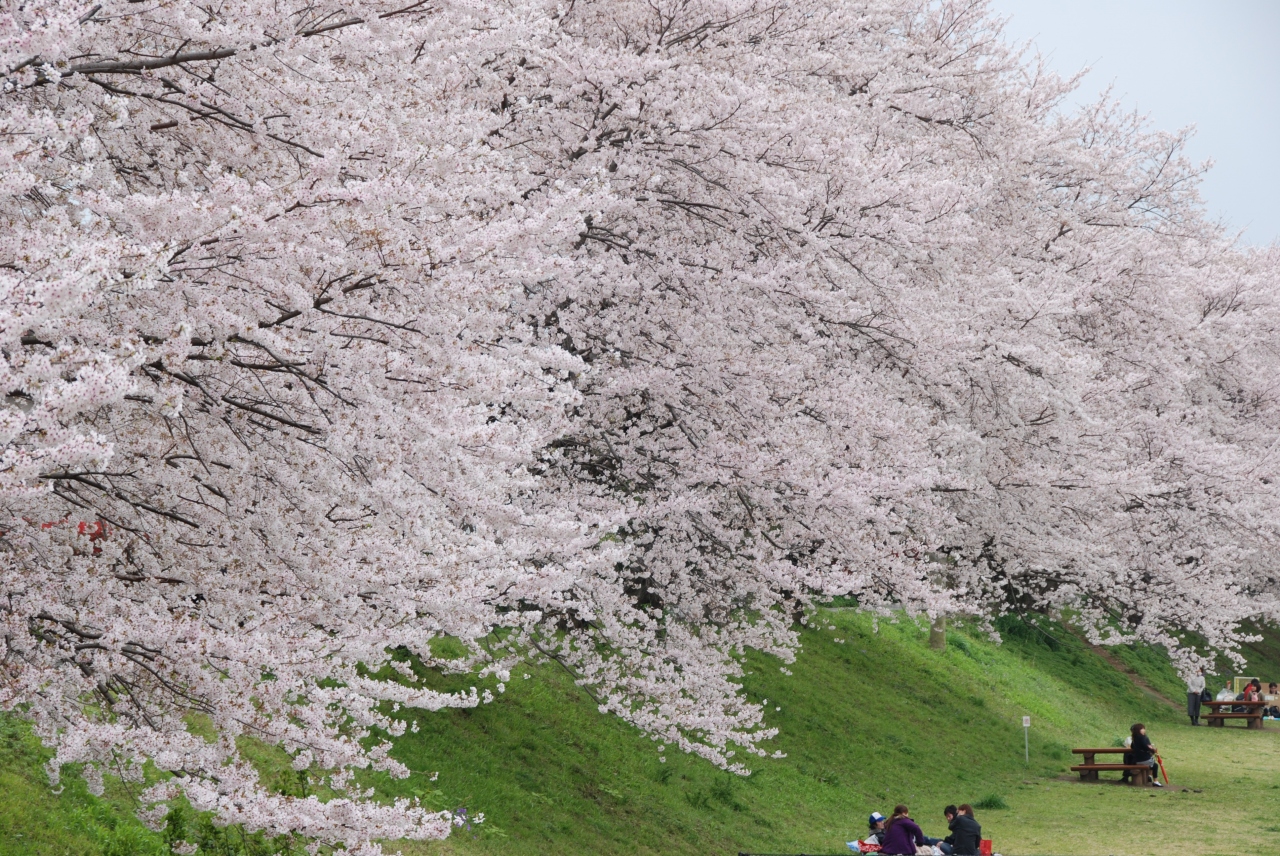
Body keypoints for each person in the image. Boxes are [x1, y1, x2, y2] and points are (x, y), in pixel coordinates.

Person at [1122, 722, 1162, 787]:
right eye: (1142, 728)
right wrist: (1152, 750)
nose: (1144, 730)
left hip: (1137, 761)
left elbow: (1132, 747)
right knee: (1155, 765)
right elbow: (1145, 746)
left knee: (1152, 763)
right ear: (1139, 730)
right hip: (1143, 759)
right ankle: (1155, 781)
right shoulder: (1142, 737)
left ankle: (1150, 776)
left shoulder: (1134, 738)